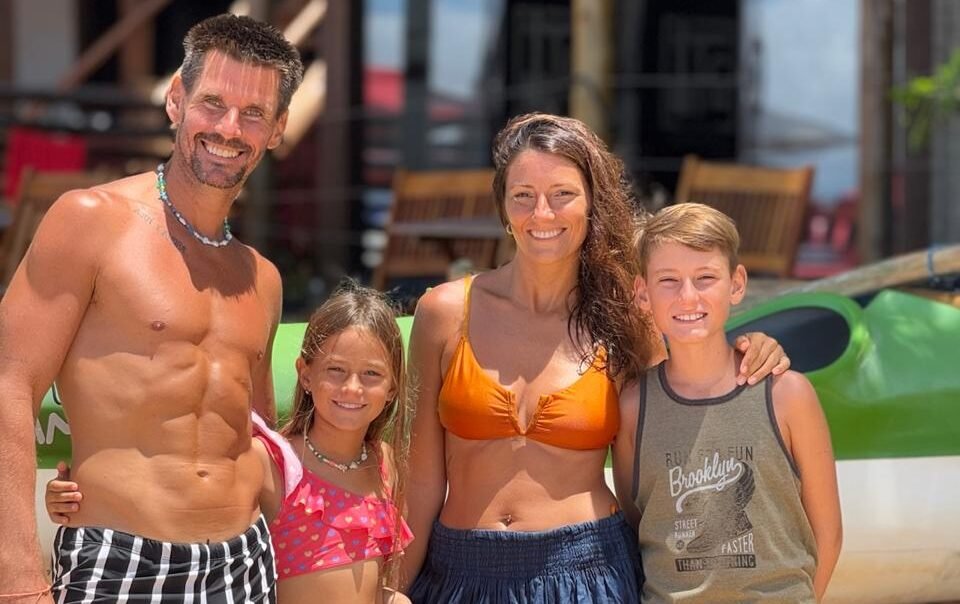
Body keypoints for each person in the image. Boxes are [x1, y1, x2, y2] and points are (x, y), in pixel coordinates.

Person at [401, 112, 791, 603]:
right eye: (523, 195)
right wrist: (393, 587)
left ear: (592, 204)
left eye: (563, 193)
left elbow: (686, 407)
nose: (543, 213)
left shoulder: (624, 318)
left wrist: (754, 347)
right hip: (459, 575)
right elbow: (419, 479)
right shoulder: (443, 313)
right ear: (503, 206)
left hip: (589, 574)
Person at [0, 14, 303, 602]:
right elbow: (10, 383)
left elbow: (255, 435)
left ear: (278, 128)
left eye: (254, 113)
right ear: (176, 100)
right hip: (122, 561)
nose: (229, 128)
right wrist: (16, 578)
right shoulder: (91, 221)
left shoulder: (261, 278)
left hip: (245, 564)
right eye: (213, 103)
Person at [46, 282, 415, 603]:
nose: (352, 388)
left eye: (371, 374)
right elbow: (172, 489)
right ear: (305, 375)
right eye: (336, 370)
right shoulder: (272, 462)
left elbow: (368, 582)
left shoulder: (383, 463)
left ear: (392, 387)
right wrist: (81, 494)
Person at [613, 203, 842, 602]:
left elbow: (829, 534)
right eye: (668, 280)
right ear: (642, 293)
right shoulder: (633, 408)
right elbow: (639, 525)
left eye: (705, 278)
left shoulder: (787, 394)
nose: (688, 297)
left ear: (736, 284)